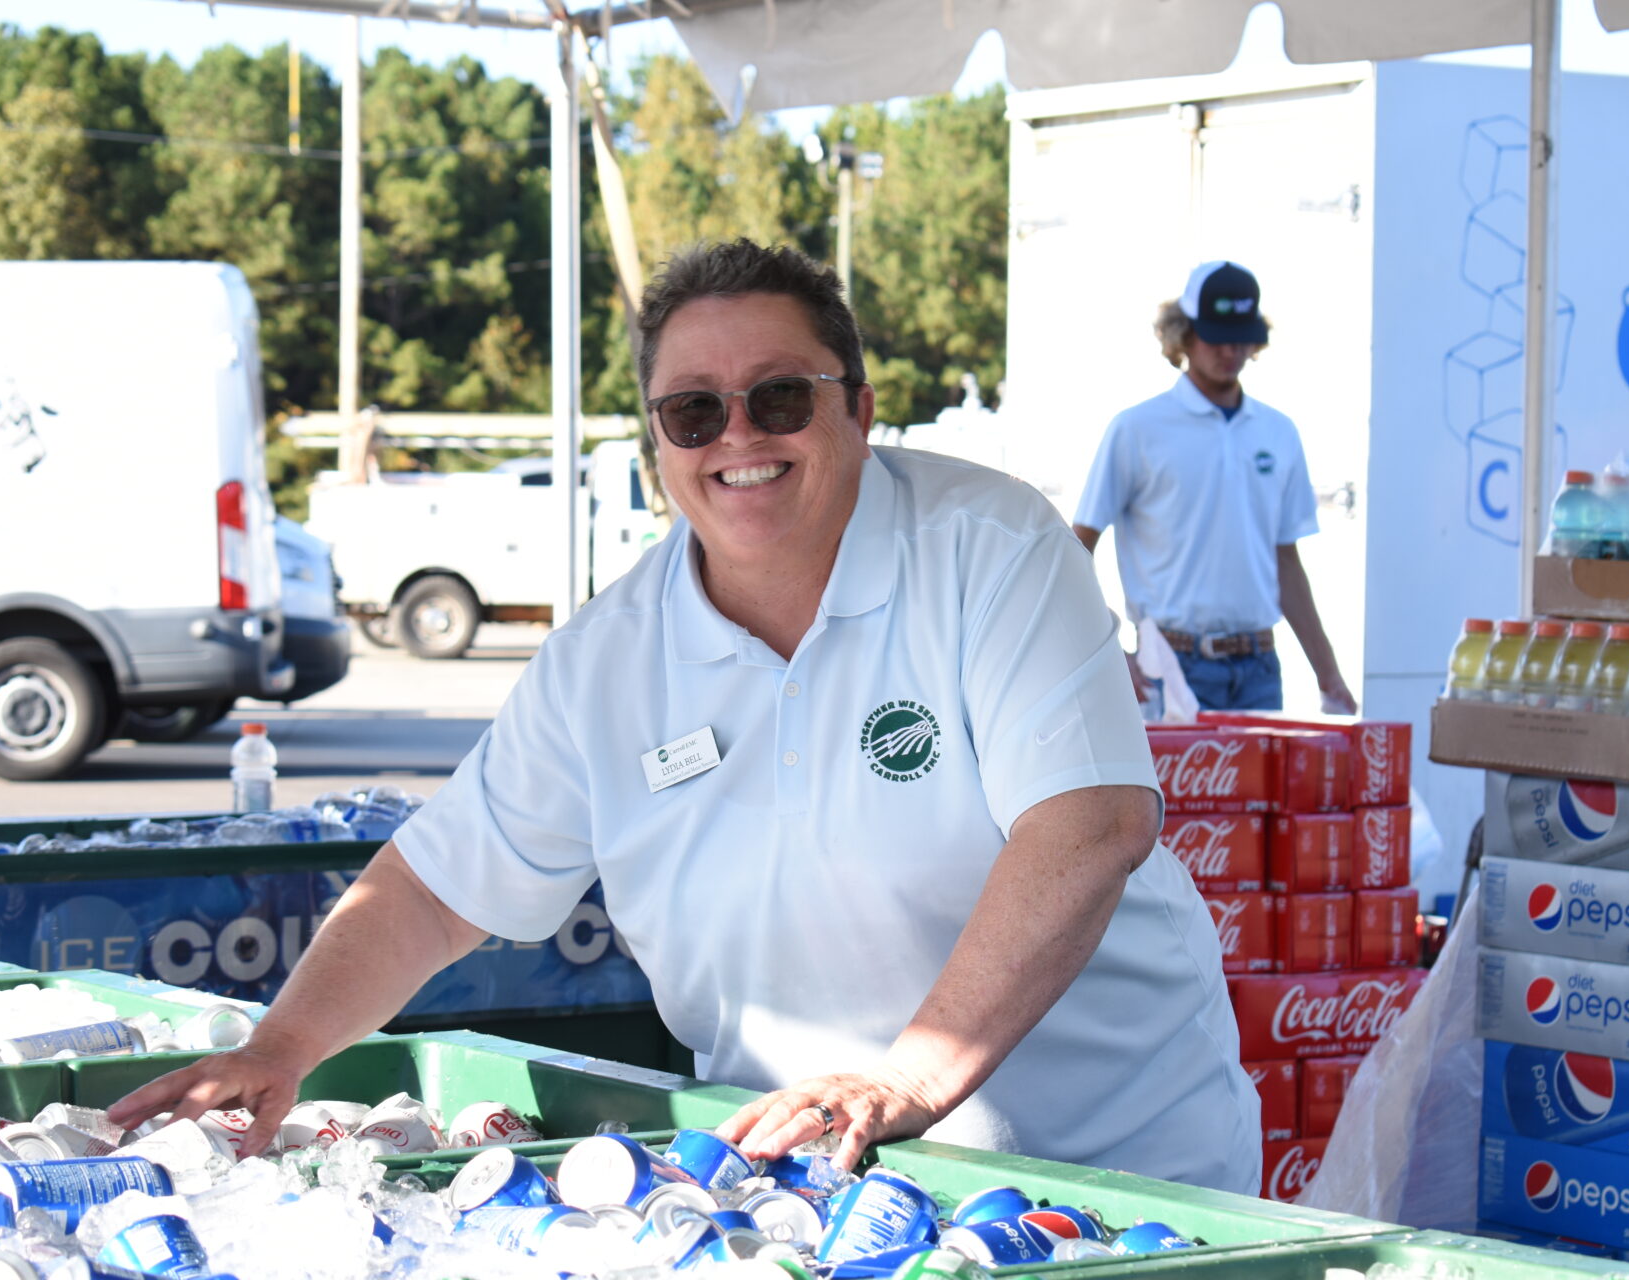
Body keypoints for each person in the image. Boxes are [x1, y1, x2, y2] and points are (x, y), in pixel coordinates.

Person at [110, 240, 1259, 1195]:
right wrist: (284, 1045)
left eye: (778, 398)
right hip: (817, 1186)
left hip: (1121, 1177)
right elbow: (428, 888)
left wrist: (910, 1077)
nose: (739, 439)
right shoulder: (604, 662)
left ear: (857, 405)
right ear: (659, 439)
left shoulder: (993, 547)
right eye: (695, 410)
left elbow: (1088, 825)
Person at [1072, 261, 1356, 715]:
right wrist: (1109, 652)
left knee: (1261, 791)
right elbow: (1075, 548)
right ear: (1183, 334)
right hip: (1170, 664)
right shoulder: (1137, 428)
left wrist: (1330, 676)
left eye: (1242, 335)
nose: (1231, 349)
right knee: (1173, 791)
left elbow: (1286, 562)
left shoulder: (1278, 431)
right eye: (1217, 335)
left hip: (1261, 666)